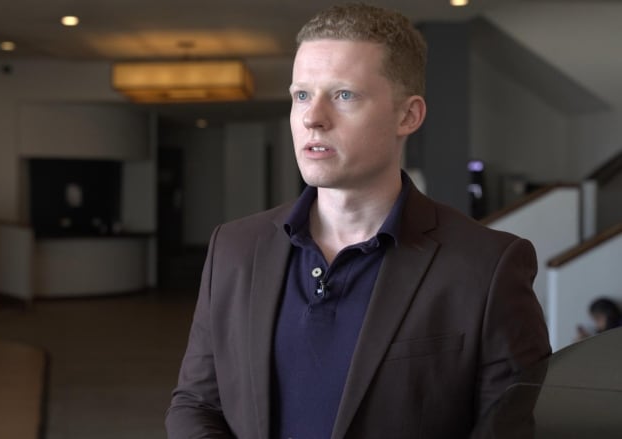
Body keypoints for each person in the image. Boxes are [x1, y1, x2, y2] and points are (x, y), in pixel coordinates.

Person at [165, 3, 551, 438]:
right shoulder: (234, 248)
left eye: (344, 95)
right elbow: (195, 403)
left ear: (408, 115)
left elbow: (508, 430)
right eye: (302, 95)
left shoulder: (488, 266)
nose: (313, 118)